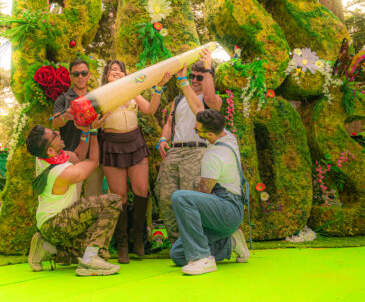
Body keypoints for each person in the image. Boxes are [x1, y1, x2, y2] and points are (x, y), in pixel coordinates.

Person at [96, 60, 171, 263]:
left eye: (121, 70)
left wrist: (158, 88)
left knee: (141, 189)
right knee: (118, 195)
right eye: (113, 70)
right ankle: (121, 244)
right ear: (106, 75)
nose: (117, 72)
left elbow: (149, 109)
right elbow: (92, 120)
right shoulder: (102, 93)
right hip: (112, 144)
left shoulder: (132, 91)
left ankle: (138, 238)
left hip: (135, 142)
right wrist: (95, 124)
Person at [25, 124, 123, 276]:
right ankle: (90, 259)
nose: (58, 132)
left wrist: (84, 132)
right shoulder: (62, 173)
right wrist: (94, 131)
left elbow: (77, 157)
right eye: (54, 135)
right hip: (57, 223)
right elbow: (93, 162)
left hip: (48, 225)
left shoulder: (43, 157)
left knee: (100, 252)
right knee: (113, 200)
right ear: (50, 150)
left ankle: (46, 246)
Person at [169, 109, 250, 275]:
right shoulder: (228, 137)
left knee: (181, 198)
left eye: (197, 131)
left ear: (211, 135)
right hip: (231, 209)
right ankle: (231, 243)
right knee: (177, 254)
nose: (195, 131)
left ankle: (202, 258)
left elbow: (204, 193)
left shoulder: (213, 156)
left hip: (227, 211)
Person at [155, 48, 222, 240]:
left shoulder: (212, 101)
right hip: (175, 151)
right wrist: (163, 139)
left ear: (208, 78)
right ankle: (178, 242)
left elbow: (204, 105)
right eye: (192, 76)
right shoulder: (179, 99)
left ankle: (195, 241)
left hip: (197, 151)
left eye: (199, 78)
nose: (194, 80)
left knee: (191, 198)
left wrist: (206, 69)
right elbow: (169, 122)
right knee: (165, 196)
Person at [52, 58, 104, 197]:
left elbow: (103, 121)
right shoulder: (63, 98)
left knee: (93, 201)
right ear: (70, 76)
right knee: (71, 201)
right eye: (76, 74)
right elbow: (55, 123)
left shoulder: (96, 97)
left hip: (93, 157)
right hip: (71, 157)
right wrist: (65, 116)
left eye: (83, 73)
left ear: (89, 75)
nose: (80, 77)